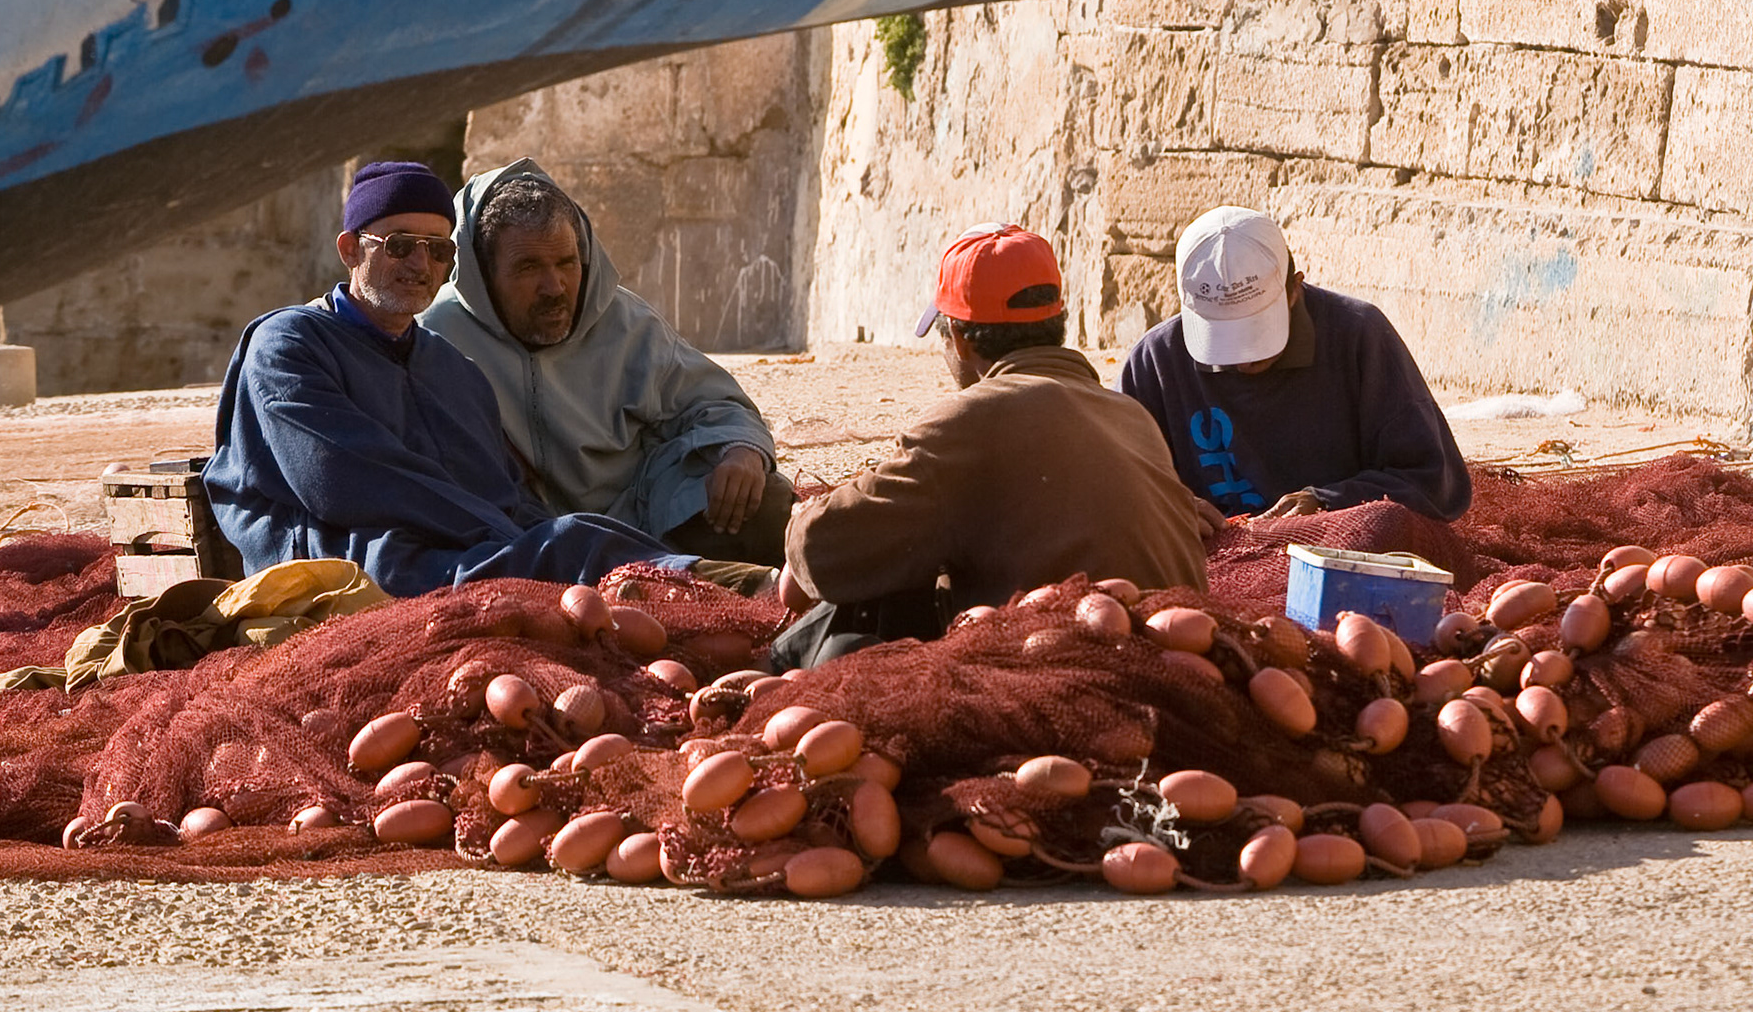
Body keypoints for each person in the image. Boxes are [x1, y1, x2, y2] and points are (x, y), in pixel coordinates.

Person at [202, 161, 702, 598]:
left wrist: (541, 533)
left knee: (585, 539)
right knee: (562, 552)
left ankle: (732, 588)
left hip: (456, 551)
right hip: (345, 566)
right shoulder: (290, 345)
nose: (421, 264)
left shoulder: (452, 369)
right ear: (351, 249)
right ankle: (736, 589)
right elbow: (343, 481)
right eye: (399, 246)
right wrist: (511, 537)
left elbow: (504, 493)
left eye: (438, 250)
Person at [771, 223, 1210, 669]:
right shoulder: (1129, 415)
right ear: (1055, 324)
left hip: (1059, 670)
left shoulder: (969, 419)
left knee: (845, 642)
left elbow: (821, 552)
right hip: (1177, 659)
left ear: (958, 340)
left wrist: (801, 517)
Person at [419, 157, 792, 565]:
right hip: (521, 536)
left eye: (565, 263)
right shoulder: (439, 334)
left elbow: (714, 402)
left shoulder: (625, 322)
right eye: (528, 267)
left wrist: (741, 451)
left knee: (765, 504)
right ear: (484, 275)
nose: (554, 286)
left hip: (644, 510)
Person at [1118, 205, 1470, 524]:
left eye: (1255, 333)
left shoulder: (1358, 336)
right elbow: (1115, 482)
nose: (1244, 360)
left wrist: (1329, 503)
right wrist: (1171, 506)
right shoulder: (1155, 363)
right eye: (1225, 340)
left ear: (1294, 290)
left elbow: (1434, 482)